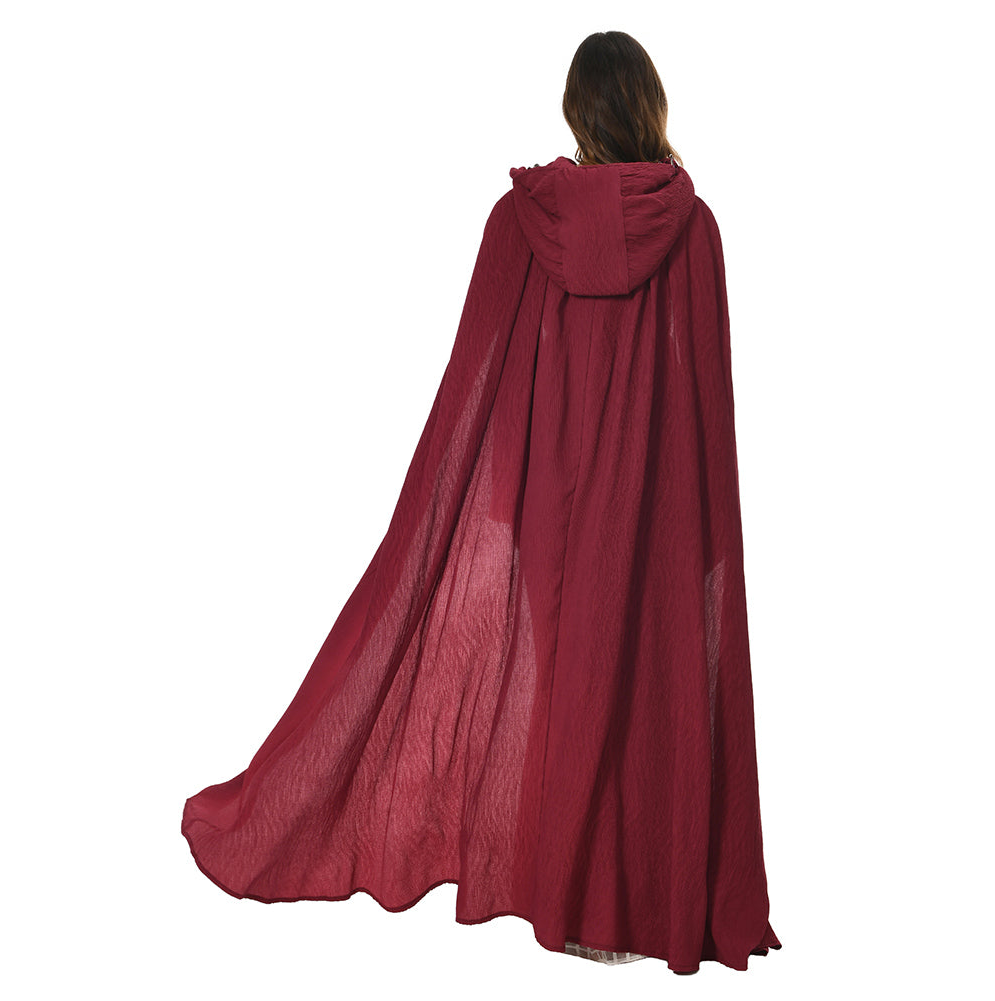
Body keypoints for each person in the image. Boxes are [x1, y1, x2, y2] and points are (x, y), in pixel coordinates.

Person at [182, 29, 782, 976]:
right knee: (634, 691)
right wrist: (702, 540)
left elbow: (479, 372)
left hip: (546, 499)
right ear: (650, 104)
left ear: (576, 110)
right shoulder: (692, 226)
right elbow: (703, 395)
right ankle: (611, 905)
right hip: (651, 510)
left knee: (562, 686)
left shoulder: (522, 221)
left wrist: (490, 502)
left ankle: (568, 895)